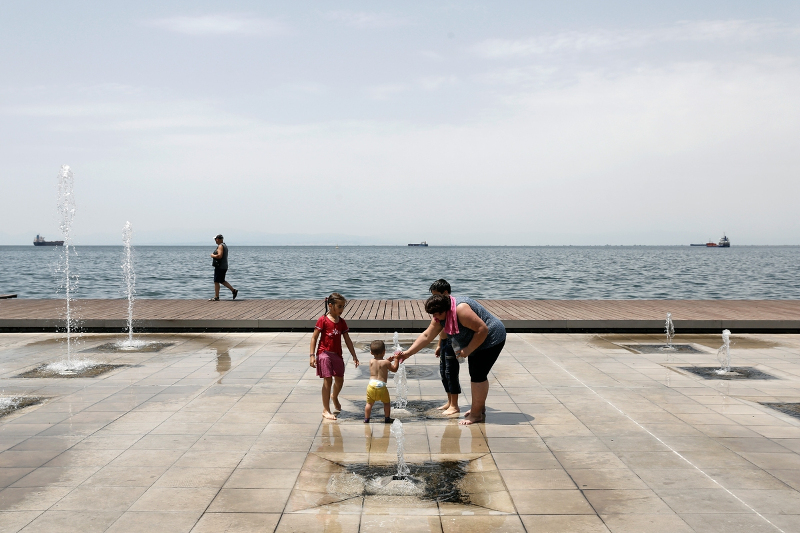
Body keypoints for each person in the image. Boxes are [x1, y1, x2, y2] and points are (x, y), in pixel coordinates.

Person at [395, 294, 505, 425]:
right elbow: (426, 336)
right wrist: (407, 353)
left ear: (446, 310)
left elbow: (482, 329)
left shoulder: (461, 310)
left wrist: (468, 349)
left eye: (437, 314)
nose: (435, 318)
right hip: (477, 339)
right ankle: (479, 408)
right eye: (433, 315)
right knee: (476, 374)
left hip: (492, 339)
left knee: (478, 375)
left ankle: (476, 415)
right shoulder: (440, 315)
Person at [309, 293, 360, 420]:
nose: (342, 310)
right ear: (330, 306)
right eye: (339, 306)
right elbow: (314, 337)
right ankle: (326, 409)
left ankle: (334, 396)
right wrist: (312, 355)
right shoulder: (323, 320)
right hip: (324, 353)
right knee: (328, 380)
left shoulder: (341, 322)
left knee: (340, 380)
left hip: (337, 354)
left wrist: (354, 355)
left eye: (343, 307)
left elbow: (347, 340)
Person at [429, 279, 461, 415]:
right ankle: (449, 401)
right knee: (443, 372)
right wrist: (438, 344)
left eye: (437, 295)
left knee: (451, 372)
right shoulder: (439, 308)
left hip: (452, 342)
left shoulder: (452, 307)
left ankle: (455, 404)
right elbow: (438, 330)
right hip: (444, 342)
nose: (434, 298)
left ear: (446, 293)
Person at [364, 340, 400, 423]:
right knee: (386, 403)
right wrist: (396, 359)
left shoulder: (371, 361)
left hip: (371, 385)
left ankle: (366, 419)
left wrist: (387, 361)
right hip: (381, 387)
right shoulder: (386, 362)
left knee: (369, 403)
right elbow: (394, 369)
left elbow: (379, 364)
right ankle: (387, 418)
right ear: (384, 352)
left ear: (371, 352)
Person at [209, 234, 238, 301]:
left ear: (217, 239)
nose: (215, 241)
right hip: (224, 266)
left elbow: (219, 256)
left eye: (215, 239)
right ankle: (233, 290)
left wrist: (212, 255)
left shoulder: (220, 246)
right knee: (222, 280)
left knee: (216, 281)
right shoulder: (224, 245)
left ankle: (216, 296)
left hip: (220, 266)